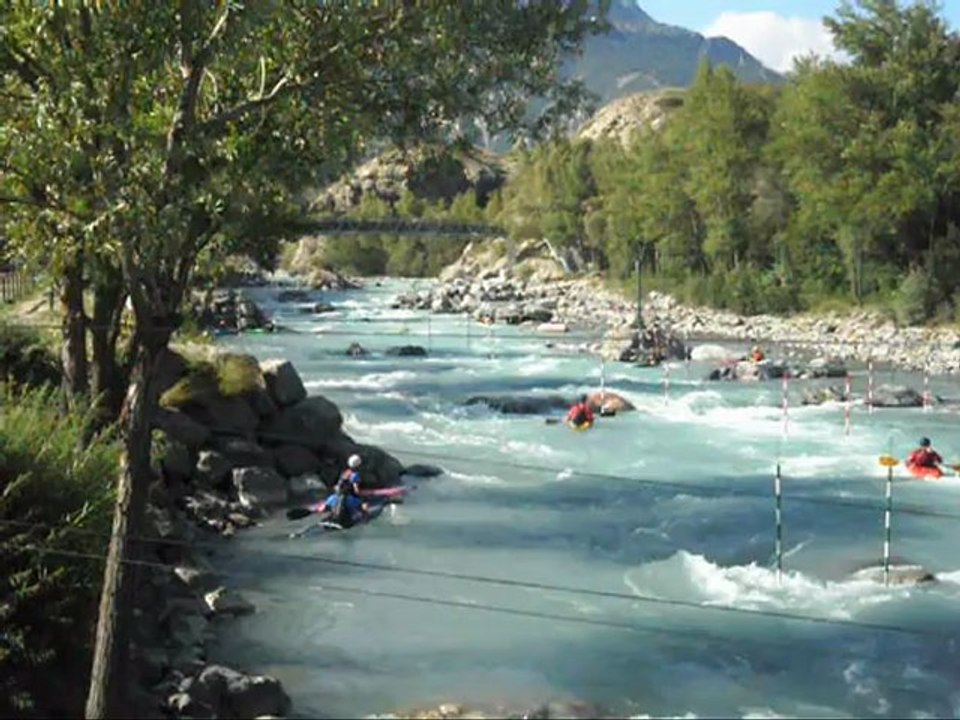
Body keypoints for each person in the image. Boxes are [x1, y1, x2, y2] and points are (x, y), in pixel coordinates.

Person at [326, 454, 370, 527]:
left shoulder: (345, 472)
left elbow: (337, 486)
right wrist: (363, 498)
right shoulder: (355, 475)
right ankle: (365, 519)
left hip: (335, 497)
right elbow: (356, 491)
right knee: (364, 505)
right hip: (347, 499)